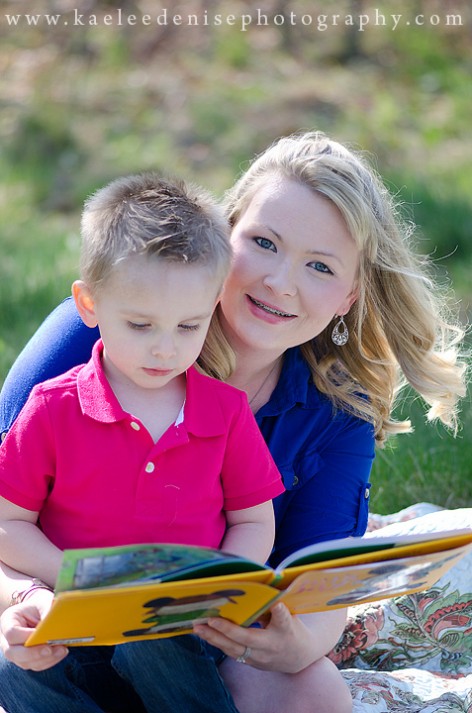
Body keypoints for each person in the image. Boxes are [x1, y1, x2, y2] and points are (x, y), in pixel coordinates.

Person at [0, 131, 467, 713]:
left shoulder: (334, 415)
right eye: (265, 243)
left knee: (313, 690)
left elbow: (318, 590)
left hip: (203, 629)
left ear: (349, 295)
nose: (280, 282)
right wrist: (24, 596)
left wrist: (294, 645)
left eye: (319, 266)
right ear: (226, 237)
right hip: (53, 601)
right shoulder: (102, 330)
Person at [0, 172, 284, 713]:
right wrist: (55, 586)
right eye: (140, 325)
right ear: (89, 305)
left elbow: (254, 520)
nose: (164, 349)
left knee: (155, 644)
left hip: (176, 630)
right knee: (11, 663)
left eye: (188, 326)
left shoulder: (223, 412)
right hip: (72, 619)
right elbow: (7, 522)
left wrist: (216, 586)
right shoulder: (52, 407)